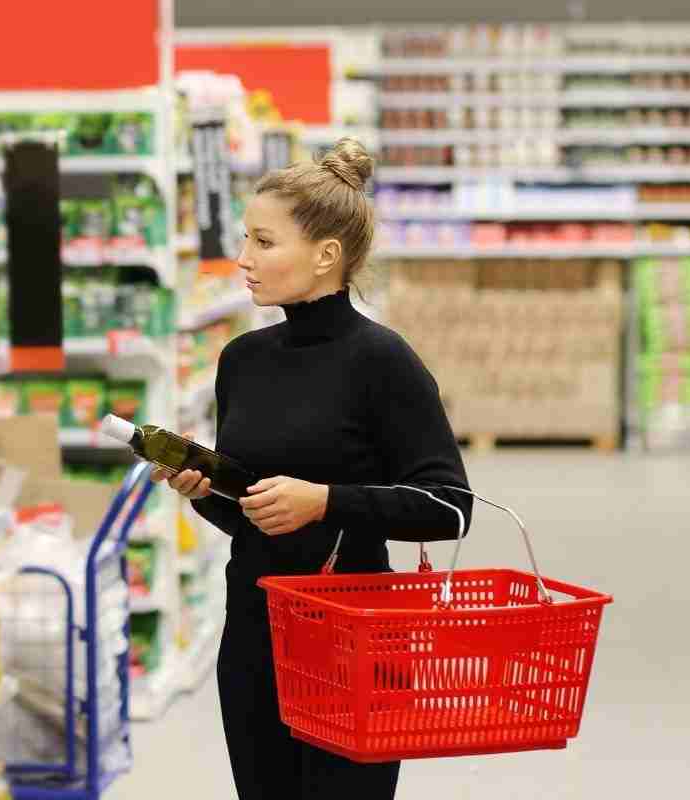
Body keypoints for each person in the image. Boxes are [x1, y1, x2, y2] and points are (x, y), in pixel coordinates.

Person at [151, 138, 473, 799]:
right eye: (246, 239)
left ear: (326, 255)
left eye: (264, 243)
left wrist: (327, 501)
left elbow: (450, 507)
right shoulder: (242, 360)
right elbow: (255, 514)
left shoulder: (382, 361)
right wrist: (203, 490)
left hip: (352, 641)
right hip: (253, 634)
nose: (243, 259)